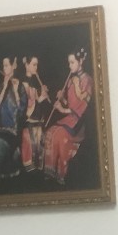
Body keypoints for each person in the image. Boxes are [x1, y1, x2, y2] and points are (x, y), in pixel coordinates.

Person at [42, 49, 93, 184]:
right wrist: (62, 99)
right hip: (69, 119)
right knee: (50, 132)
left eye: (72, 62)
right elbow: (70, 103)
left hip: (79, 121)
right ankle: (50, 171)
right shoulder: (70, 80)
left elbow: (81, 106)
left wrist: (62, 108)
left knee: (59, 135)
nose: (70, 66)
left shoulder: (87, 80)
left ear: (80, 61)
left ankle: (62, 173)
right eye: (69, 63)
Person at [0, 56, 24, 176]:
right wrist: (5, 85)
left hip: (14, 128)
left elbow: (21, 109)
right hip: (0, 127)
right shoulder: (1, 86)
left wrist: (15, 91)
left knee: (4, 141)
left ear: (13, 66)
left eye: (6, 65)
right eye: (3, 66)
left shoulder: (20, 86)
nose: (4, 68)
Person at [20, 55, 51, 172]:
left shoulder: (34, 82)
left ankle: (38, 167)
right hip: (28, 119)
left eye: (36, 64)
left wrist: (43, 95)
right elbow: (27, 103)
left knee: (40, 143)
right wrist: (40, 97)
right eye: (33, 64)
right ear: (26, 65)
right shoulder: (23, 83)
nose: (36, 67)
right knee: (30, 142)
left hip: (37, 119)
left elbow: (37, 101)